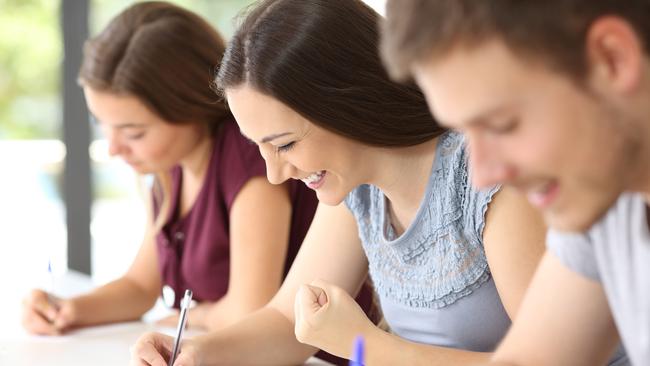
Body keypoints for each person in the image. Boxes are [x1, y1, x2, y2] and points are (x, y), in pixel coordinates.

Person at [129, 1, 548, 365]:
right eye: (261, 148)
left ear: (347, 102)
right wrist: (194, 353)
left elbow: (554, 359)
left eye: (286, 144)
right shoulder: (357, 189)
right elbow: (285, 323)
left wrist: (368, 345)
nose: (276, 173)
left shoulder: (487, 178)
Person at [21, 0, 329, 342]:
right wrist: (67, 309)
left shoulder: (248, 156)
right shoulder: (170, 170)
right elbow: (140, 286)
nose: (113, 148)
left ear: (190, 105)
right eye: (102, 125)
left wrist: (197, 316)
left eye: (134, 132)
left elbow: (249, 311)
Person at [380, 0, 650, 365]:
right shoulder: (603, 190)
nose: (482, 175)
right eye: (463, 134)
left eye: (502, 125)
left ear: (613, 59)